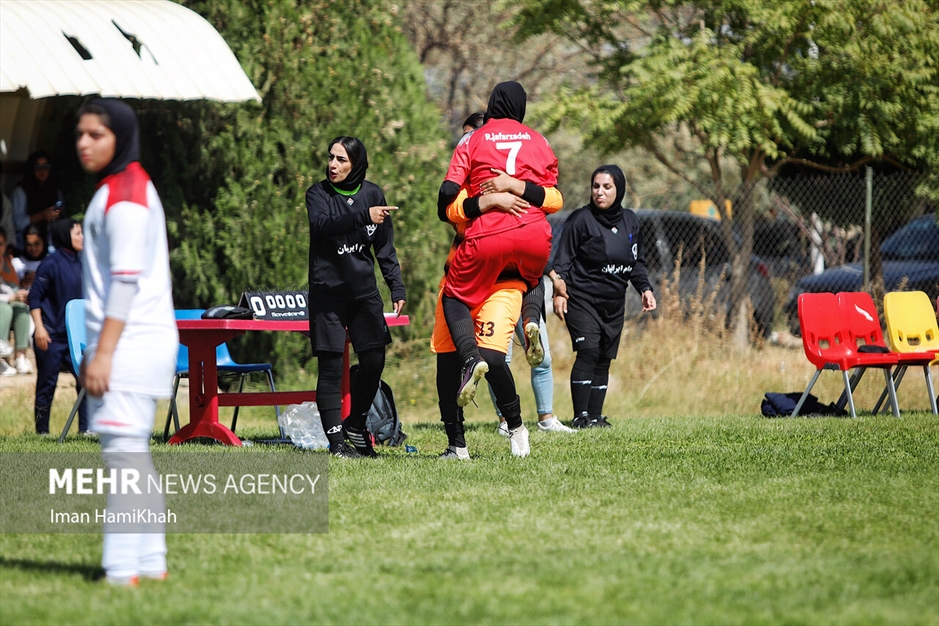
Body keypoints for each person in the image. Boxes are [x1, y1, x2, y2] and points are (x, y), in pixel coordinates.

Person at [76, 98, 179, 587]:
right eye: (81, 133)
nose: (84, 143)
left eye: (97, 134)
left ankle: (120, 573)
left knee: (123, 460)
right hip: (134, 344)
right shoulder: (119, 188)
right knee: (132, 456)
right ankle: (150, 562)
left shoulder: (127, 195)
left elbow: (125, 281)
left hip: (130, 346)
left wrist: (103, 354)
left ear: (121, 136)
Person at [433, 110, 563, 458]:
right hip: (472, 269)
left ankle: (514, 426)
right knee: (451, 363)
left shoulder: (502, 171)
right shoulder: (492, 178)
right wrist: (490, 200)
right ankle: (458, 445)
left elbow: (451, 209)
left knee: (486, 358)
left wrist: (508, 190)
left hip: (487, 278)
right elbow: (448, 208)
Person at [305, 136, 406, 458]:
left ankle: (356, 423)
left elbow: (384, 248)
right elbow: (323, 226)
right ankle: (336, 444)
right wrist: (363, 216)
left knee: (375, 360)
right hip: (328, 294)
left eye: (341, 160)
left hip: (364, 293)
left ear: (356, 164)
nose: (333, 165)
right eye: (331, 158)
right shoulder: (317, 194)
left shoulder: (373, 194)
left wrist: (396, 286)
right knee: (331, 370)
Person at [552, 165, 656, 428]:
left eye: (606, 187)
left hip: (613, 302)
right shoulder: (581, 219)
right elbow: (562, 260)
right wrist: (559, 292)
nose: (599, 192)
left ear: (618, 189)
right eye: (595, 186)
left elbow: (636, 261)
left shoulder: (631, 220)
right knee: (588, 351)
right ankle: (580, 416)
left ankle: (596, 417)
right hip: (582, 299)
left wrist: (645, 289)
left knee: (604, 357)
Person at [27, 218, 86, 433]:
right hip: (50, 337)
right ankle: (41, 431)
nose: (82, 237)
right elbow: (34, 297)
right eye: (78, 233)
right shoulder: (51, 263)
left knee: (85, 382)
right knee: (46, 386)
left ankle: (85, 430)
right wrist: (39, 328)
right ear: (65, 236)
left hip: (74, 339)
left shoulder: (81, 263)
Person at [12, 150, 64, 251]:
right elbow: (17, 223)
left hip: (49, 246)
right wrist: (42, 215)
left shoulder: (55, 190)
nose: (42, 170)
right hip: (24, 246)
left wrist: (56, 216)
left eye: (45, 166)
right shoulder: (21, 191)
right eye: (37, 167)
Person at [0, 226, 32, 375]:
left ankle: (20, 356)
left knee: (21, 308)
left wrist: (18, 294)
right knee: (5, 309)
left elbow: (10, 286)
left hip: (6, 300)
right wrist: (10, 297)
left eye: (1, 244)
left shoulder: (7, 262)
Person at [12, 225, 48, 290]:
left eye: (37, 244)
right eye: (29, 245)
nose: (33, 249)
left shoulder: (52, 262)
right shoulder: (16, 263)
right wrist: (22, 284)